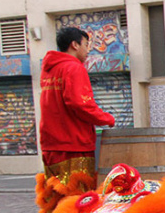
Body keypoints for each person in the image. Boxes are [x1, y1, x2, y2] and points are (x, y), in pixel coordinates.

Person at [39, 27, 115, 192]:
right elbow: (81, 103)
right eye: (86, 45)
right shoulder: (73, 67)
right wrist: (107, 119)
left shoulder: (49, 70)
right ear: (74, 45)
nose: (88, 50)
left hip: (51, 144)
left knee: (56, 197)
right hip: (73, 143)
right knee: (78, 198)